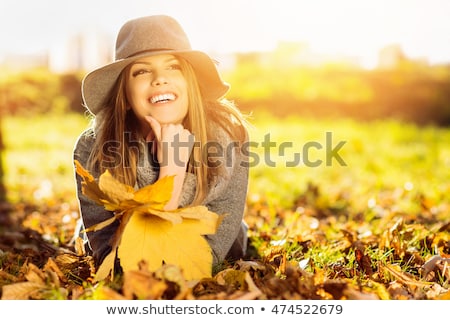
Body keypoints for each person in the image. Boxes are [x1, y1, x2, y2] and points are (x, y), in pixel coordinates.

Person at [73, 15, 250, 272]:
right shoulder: (93, 148)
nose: (159, 79)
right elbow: (122, 266)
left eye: (173, 66)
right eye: (142, 71)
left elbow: (203, 262)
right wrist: (171, 174)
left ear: (191, 82)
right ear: (125, 92)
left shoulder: (229, 138)